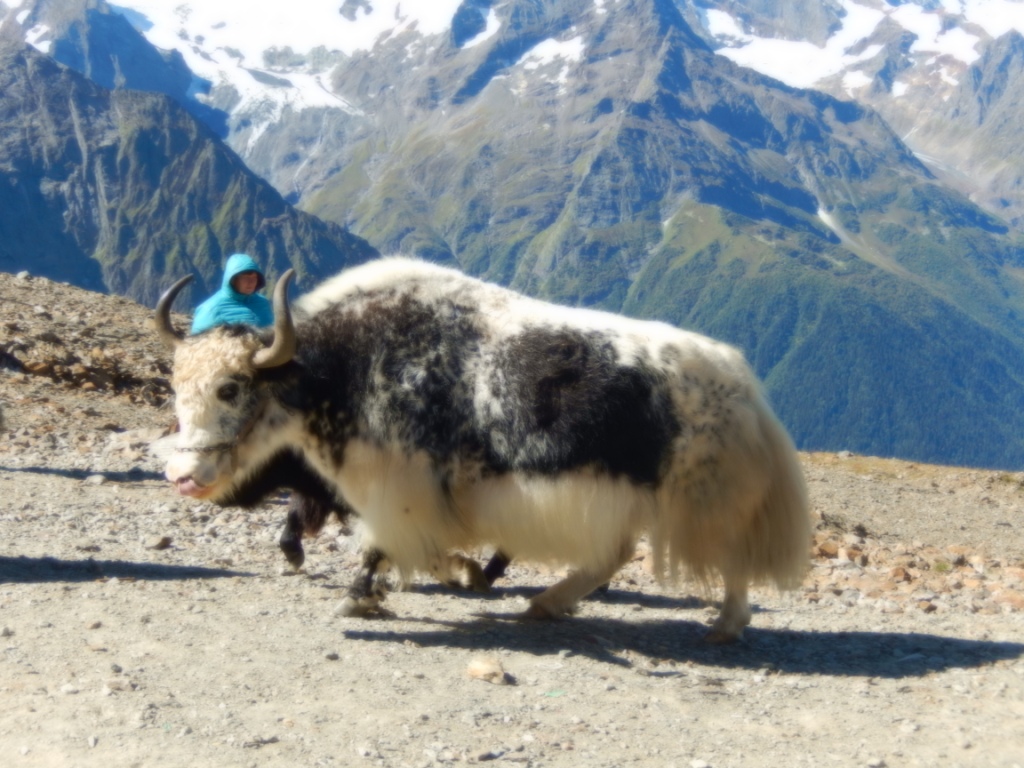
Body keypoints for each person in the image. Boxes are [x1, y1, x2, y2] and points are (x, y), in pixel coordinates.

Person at [190, 253, 274, 334]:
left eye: (254, 277)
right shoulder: (210, 310)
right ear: (233, 280)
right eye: (246, 278)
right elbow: (197, 342)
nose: (251, 282)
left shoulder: (263, 303)